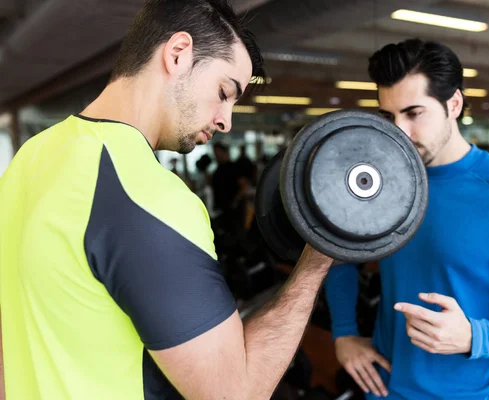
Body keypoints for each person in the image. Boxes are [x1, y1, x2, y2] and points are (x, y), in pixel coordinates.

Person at [0, 1, 333, 399]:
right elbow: (235, 393)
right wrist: (317, 259)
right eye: (225, 91)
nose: (227, 119)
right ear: (178, 54)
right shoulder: (145, 193)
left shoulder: (30, 158)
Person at [324, 38, 489, 400]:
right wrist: (344, 333)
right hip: (384, 388)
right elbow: (338, 254)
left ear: (453, 104)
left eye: (414, 113)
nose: (400, 133)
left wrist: (474, 336)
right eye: (388, 117)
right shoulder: (382, 181)